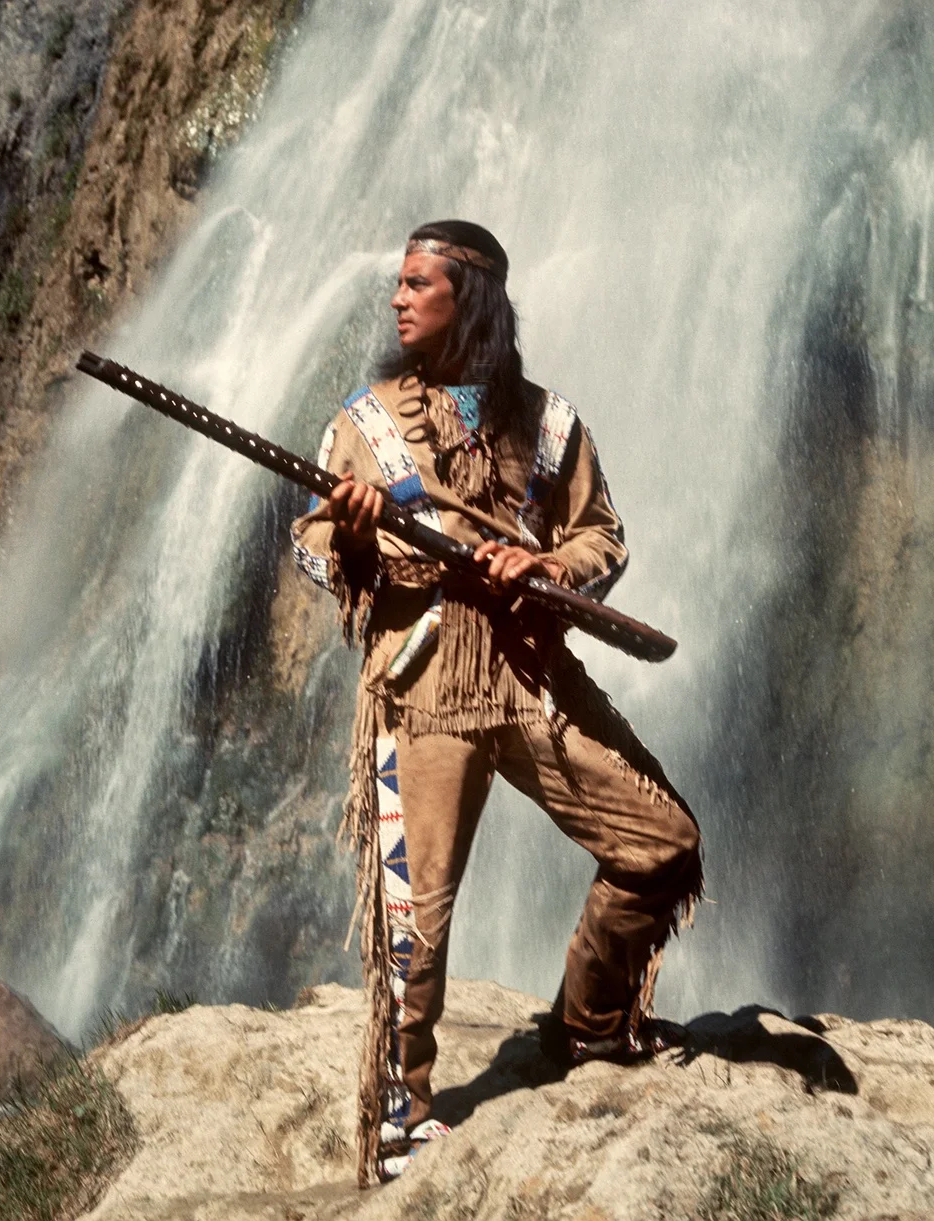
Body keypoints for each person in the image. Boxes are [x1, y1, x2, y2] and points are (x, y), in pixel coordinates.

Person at [290, 220, 702, 1186]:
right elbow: (310, 548)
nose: (396, 299)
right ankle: (402, 1123)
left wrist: (546, 561)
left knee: (661, 841)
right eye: (397, 283)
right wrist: (353, 540)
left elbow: (604, 538)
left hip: (530, 681)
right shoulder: (368, 420)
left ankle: (591, 1026)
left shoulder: (550, 423)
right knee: (412, 921)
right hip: (421, 690)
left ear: (466, 297)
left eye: (417, 283)